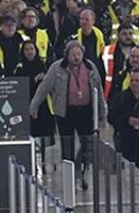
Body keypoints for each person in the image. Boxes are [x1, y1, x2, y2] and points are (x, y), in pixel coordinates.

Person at [31, 40, 107, 189]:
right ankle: (69, 179)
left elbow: (99, 90)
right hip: (65, 113)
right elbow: (44, 87)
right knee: (67, 148)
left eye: (79, 54)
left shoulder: (91, 67)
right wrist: (34, 106)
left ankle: (81, 173)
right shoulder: (56, 68)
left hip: (86, 112)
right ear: (67, 55)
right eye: (73, 54)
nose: (76, 57)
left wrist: (102, 112)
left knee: (88, 146)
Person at [109, 71, 139, 171]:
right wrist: (127, 121)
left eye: (137, 81)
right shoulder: (120, 98)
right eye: (132, 80)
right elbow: (111, 117)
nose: (134, 83)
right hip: (127, 142)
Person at [11, 40, 55, 139]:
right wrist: (34, 80)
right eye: (26, 49)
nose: (29, 52)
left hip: (44, 106)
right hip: (26, 106)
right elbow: (19, 87)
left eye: (32, 49)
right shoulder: (19, 68)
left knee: (43, 138)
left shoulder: (43, 65)